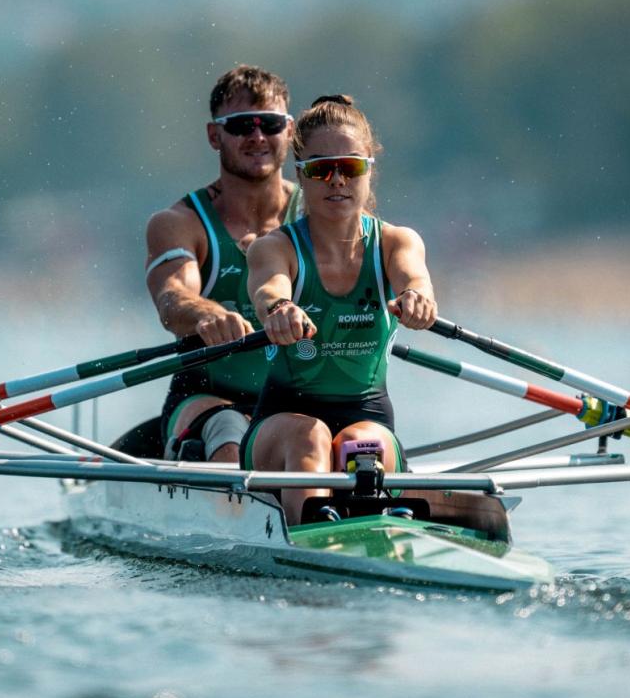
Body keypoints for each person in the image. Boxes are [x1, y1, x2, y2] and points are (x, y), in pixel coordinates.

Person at [243, 95, 437, 525]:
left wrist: (418, 299)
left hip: (367, 413)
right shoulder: (274, 248)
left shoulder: (396, 242)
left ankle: (357, 528)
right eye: (320, 168)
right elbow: (268, 287)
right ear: (300, 175)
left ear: (369, 169)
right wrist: (278, 307)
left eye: (349, 167)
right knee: (311, 437)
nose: (336, 180)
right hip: (281, 420)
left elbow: (414, 279)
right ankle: (313, 537)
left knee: (359, 443)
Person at [142, 65, 302, 463]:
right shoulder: (180, 223)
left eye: (269, 123)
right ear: (215, 135)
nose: (257, 136)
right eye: (240, 126)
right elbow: (172, 297)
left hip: (299, 398)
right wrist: (208, 314)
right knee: (230, 431)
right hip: (206, 396)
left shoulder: (319, 217)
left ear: (290, 131)